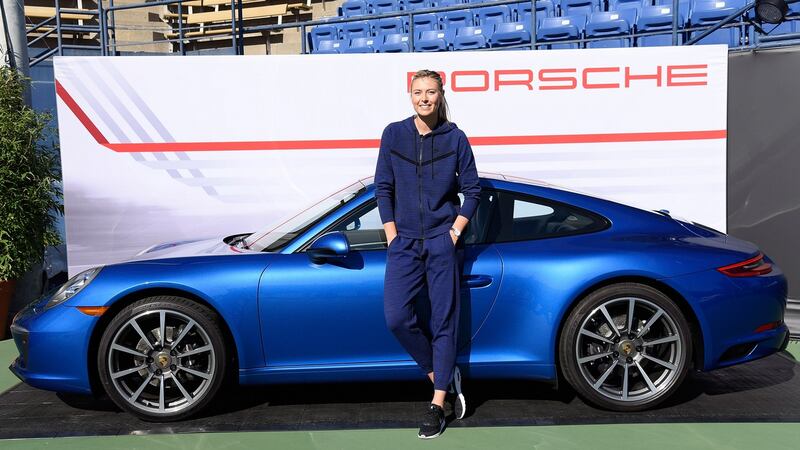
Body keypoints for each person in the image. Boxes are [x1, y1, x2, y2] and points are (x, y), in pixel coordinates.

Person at [374, 69, 481, 439]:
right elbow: (383, 187)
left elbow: (473, 191)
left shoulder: (456, 138)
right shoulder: (394, 134)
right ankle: (442, 375)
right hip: (403, 243)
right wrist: (392, 235)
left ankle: (437, 404)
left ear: (440, 95)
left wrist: (453, 232)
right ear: (410, 95)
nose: (424, 98)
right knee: (396, 317)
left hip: (441, 242)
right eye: (418, 92)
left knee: (444, 322)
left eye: (431, 92)